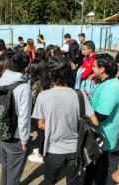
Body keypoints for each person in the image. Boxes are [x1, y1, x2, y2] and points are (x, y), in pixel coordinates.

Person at [32, 56, 98, 185]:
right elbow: (95, 122)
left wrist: (54, 123)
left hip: (53, 150)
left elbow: (40, 124)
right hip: (75, 149)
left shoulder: (43, 96)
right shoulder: (80, 94)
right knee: (72, 181)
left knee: (49, 180)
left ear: (50, 74)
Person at [0, 51, 32, 185]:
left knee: (5, 166)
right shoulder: (24, 87)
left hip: (0, 131)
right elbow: (24, 117)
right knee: (14, 174)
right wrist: (25, 140)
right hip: (15, 137)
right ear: (25, 68)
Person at [84, 53, 119, 185]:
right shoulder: (106, 81)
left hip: (105, 137)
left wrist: (82, 114)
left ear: (102, 69)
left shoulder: (111, 87)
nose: (92, 68)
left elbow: (100, 116)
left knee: (100, 170)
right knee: (95, 168)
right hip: (101, 135)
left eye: (94, 66)